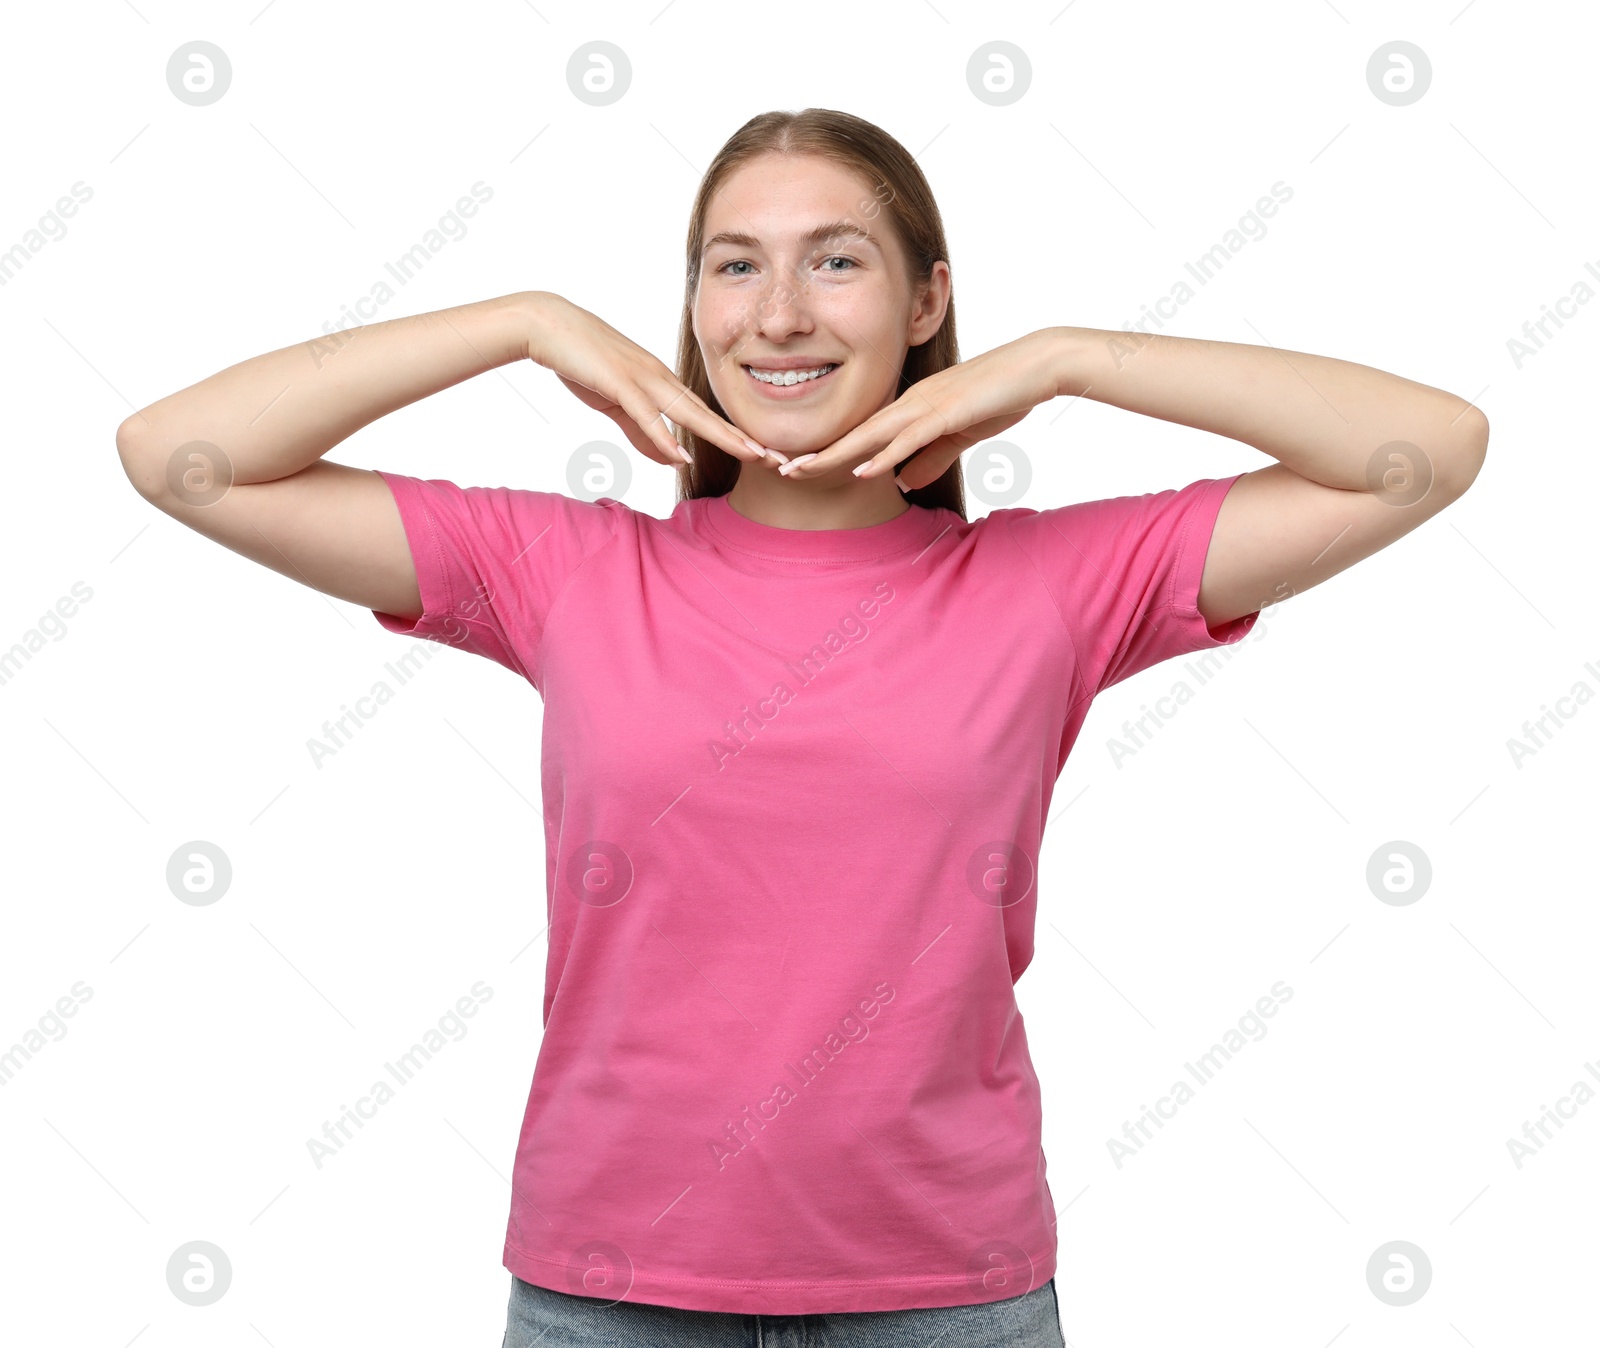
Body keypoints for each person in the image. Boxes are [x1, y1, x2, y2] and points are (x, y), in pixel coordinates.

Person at [114, 108, 1488, 1347]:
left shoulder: (1050, 584)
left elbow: (1425, 449)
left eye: (836, 261)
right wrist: (521, 321)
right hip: (613, 1288)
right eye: (733, 264)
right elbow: (182, 454)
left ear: (925, 300)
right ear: (694, 307)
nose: (778, 312)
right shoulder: (572, 573)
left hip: (951, 1291)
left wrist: (1067, 360)